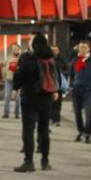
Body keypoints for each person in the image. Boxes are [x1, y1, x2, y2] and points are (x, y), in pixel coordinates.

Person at [12, 34, 60, 172]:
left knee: (28, 130)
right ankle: (45, 161)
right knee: (44, 130)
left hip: (30, 98)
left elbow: (19, 76)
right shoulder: (51, 58)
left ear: (34, 45)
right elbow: (56, 75)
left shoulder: (27, 58)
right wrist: (55, 91)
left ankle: (29, 162)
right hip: (47, 98)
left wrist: (16, 87)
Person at [70, 41, 91, 143]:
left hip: (88, 90)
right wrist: (71, 85)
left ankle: (88, 133)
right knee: (77, 112)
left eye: (84, 47)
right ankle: (80, 131)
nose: (82, 49)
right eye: (80, 47)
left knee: (89, 113)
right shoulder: (75, 60)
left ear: (88, 49)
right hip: (76, 89)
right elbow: (71, 74)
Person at [2, 44, 21, 119]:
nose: (14, 50)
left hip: (18, 80)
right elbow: (4, 67)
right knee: (7, 96)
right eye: (13, 48)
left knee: (18, 98)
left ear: (19, 49)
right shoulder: (8, 58)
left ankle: (17, 113)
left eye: (16, 48)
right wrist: (4, 75)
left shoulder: (22, 58)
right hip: (9, 79)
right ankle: (6, 113)